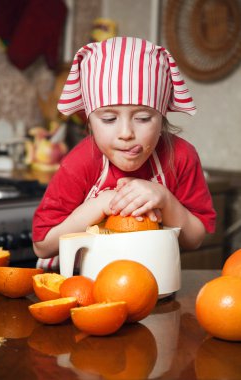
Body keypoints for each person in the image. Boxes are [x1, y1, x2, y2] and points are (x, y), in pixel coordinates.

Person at [32, 36, 216, 270]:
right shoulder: (80, 162)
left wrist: (166, 201)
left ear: (162, 117)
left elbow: (196, 238)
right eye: (109, 119)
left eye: (143, 118)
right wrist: (101, 205)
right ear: (89, 121)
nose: (126, 133)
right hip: (76, 287)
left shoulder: (180, 156)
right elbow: (42, 245)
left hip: (150, 288)